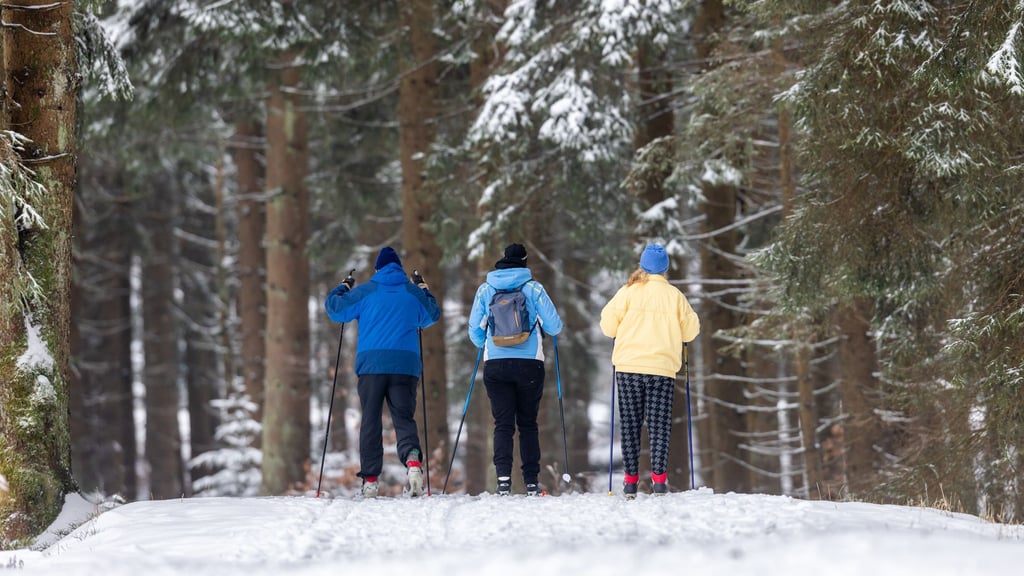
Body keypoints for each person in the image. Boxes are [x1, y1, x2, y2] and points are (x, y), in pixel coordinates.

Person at [324, 246, 441, 498]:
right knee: (403, 418)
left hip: (372, 366)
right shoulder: (411, 292)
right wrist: (422, 288)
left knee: (371, 420)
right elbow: (432, 315)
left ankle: (370, 481)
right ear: (398, 268)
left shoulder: (366, 291)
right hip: (405, 366)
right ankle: (412, 463)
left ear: (378, 269)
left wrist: (344, 287)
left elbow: (335, 310)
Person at [599, 243, 700, 498]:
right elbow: (691, 331)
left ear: (642, 266)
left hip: (628, 368)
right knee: (659, 426)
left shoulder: (627, 292)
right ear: (665, 269)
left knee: (630, 425)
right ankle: (659, 482)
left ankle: (631, 482)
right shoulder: (675, 296)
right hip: (661, 369)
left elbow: (608, 326)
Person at [468, 243, 563, 496]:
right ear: (524, 261)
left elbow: (474, 331)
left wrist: (488, 344)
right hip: (530, 363)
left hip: (496, 364)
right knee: (528, 423)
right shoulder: (534, 288)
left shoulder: (486, 289)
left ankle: (502, 481)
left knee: (502, 424)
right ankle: (531, 481)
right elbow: (554, 327)